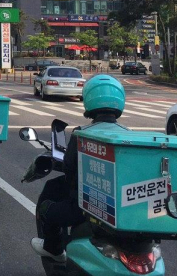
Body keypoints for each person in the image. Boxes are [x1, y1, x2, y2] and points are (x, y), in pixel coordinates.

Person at [30, 74, 125, 262]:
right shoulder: (129, 135)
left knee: (48, 207)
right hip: (121, 206)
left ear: (89, 100)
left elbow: (69, 167)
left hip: (84, 207)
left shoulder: (82, 134)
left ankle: (53, 248)